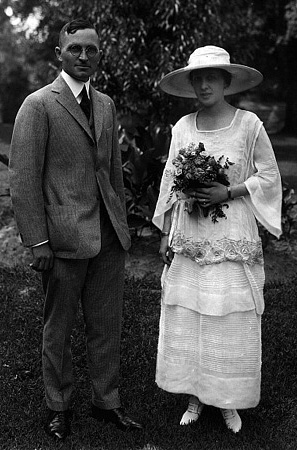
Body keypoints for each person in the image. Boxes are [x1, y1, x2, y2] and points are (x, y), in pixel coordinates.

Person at [9, 18, 143, 440]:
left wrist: (121, 225)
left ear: (100, 54)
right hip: (62, 238)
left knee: (106, 324)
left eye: (91, 49)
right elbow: (24, 178)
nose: (84, 56)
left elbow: (113, 174)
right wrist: (37, 241)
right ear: (59, 55)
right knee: (59, 327)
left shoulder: (104, 104)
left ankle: (107, 402)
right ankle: (59, 405)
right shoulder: (39, 104)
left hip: (106, 236)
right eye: (75, 49)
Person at [153, 45, 282, 433]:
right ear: (191, 82)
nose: (204, 84)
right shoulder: (182, 127)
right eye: (198, 77)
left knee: (228, 313)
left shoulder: (249, 125)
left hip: (231, 232)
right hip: (191, 233)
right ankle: (194, 395)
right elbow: (171, 184)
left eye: (212, 77)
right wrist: (165, 233)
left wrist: (230, 191)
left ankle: (228, 399)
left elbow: (270, 176)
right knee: (192, 311)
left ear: (227, 81)